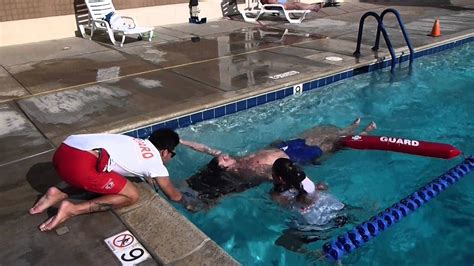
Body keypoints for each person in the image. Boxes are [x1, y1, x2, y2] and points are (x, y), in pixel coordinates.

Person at [181, 118, 376, 201]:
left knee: (315, 137)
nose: (222, 156)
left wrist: (180, 140)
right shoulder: (247, 172)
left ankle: (346, 130)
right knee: (327, 147)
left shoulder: (235, 160)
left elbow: (204, 148)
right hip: (292, 158)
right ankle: (360, 136)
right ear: (225, 169)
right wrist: (310, 187)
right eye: (221, 161)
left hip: (281, 147)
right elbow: (283, 177)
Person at [29, 128, 183, 232]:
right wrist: (189, 200)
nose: (171, 158)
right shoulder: (156, 164)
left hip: (63, 151)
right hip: (78, 165)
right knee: (132, 195)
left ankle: (58, 193)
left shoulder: (135, 141)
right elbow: (174, 196)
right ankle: (72, 210)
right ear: (164, 152)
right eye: (172, 154)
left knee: (103, 172)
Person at [270, 158, 349, 252]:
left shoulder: (277, 196)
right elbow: (323, 187)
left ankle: (314, 255)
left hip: (320, 229)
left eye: (272, 174)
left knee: (281, 241)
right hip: (342, 213)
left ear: (279, 179)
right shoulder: (306, 181)